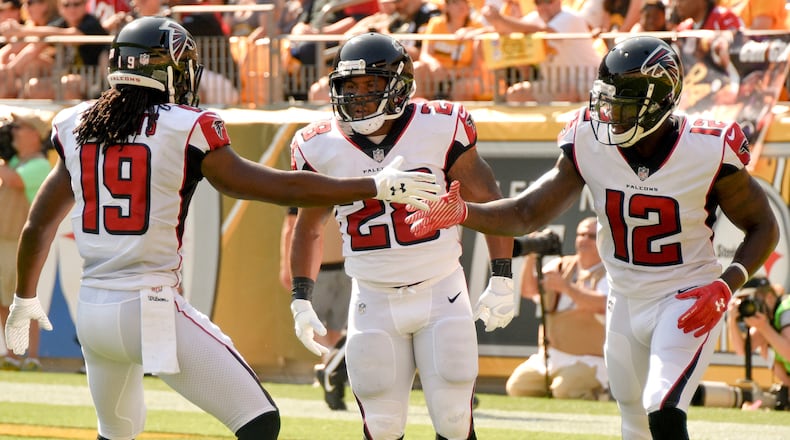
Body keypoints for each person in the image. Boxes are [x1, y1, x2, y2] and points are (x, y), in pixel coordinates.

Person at [2, 16, 440, 440]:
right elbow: (267, 185)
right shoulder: (184, 125)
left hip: (93, 313)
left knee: (116, 432)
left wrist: (24, 298)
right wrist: (373, 186)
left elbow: (38, 226)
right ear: (171, 68)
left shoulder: (78, 124)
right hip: (150, 306)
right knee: (259, 420)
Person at [405, 35, 779, 440]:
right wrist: (463, 213)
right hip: (623, 298)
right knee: (633, 423)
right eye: (606, 101)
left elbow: (764, 226)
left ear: (657, 100)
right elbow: (527, 211)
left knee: (662, 405)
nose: (609, 115)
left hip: (685, 296)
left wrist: (728, 284)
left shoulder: (707, 148)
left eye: (622, 105)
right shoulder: (587, 138)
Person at [288, 31, 514, 440]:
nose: (357, 96)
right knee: (382, 424)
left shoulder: (440, 126)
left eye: (371, 85)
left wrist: (501, 276)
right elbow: (309, 226)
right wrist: (301, 297)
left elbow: (490, 201)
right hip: (372, 296)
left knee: (453, 419)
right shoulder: (317, 145)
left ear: (398, 87)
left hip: (440, 289)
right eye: (349, 86)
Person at [506, 217, 609, 400]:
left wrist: (567, 288)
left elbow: (603, 305)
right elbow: (529, 291)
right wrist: (531, 256)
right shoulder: (561, 266)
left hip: (591, 359)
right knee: (518, 387)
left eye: (591, 236)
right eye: (581, 234)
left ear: (604, 240)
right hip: (550, 356)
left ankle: (598, 393)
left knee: (565, 390)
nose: (584, 240)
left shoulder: (609, 273)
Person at [278, 206, 351, 410]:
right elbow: (291, 228)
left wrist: (287, 267)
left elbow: (290, 229)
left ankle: (329, 368)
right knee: (324, 327)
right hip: (330, 266)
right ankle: (331, 370)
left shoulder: (335, 181)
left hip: (335, 266)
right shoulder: (313, 185)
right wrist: (287, 267)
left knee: (331, 327)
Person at [0, 111, 52, 372]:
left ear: (34, 134)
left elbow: (15, 181)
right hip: (4, 239)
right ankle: (11, 354)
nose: (14, 132)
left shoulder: (39, 164)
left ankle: (31, 356)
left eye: (19, 127)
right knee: (3, 301)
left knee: (24, 301)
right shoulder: (16, 161)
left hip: (22, 242)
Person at [480, 0, 602, 104]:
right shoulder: (535, 18)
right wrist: (493, 19)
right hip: (553, 84)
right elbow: (510, 29)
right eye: (538, 2)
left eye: (548, 1)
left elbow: (544, 31)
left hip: (589, 83)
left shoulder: (570, 17)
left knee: (566, 92)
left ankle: (565, 130)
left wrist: (500, 19)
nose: (543, 7)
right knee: (515, 94)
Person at [727, 277, 790, 395]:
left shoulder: (786, 308)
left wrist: (764, 327)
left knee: (767, 342)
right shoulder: (767, 318)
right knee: (764, 349)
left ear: (769, 298)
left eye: (753, 300)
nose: (751, 306)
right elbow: (742, 350)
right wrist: (732, 320)